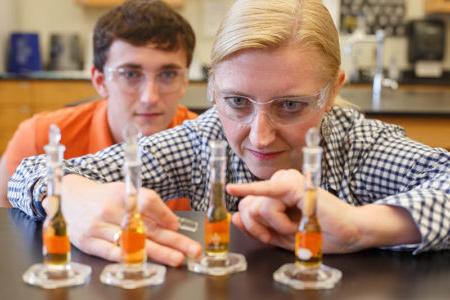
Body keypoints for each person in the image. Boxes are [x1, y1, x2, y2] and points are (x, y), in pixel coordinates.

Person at [8, 0, 450, 268]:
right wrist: (69, 195)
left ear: (332, 90)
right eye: (237, 102)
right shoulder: (202, 141)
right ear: (213, 88)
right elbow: (27, 173)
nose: (259, 136)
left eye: (291, 105)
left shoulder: (358, 147)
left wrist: (360, 227)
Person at [0, 0, 197, 211]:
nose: (150, 97)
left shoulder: (208, 143)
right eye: (130, 74)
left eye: (168, 74)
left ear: (185, 80)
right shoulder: (39, 138)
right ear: (100, 81)